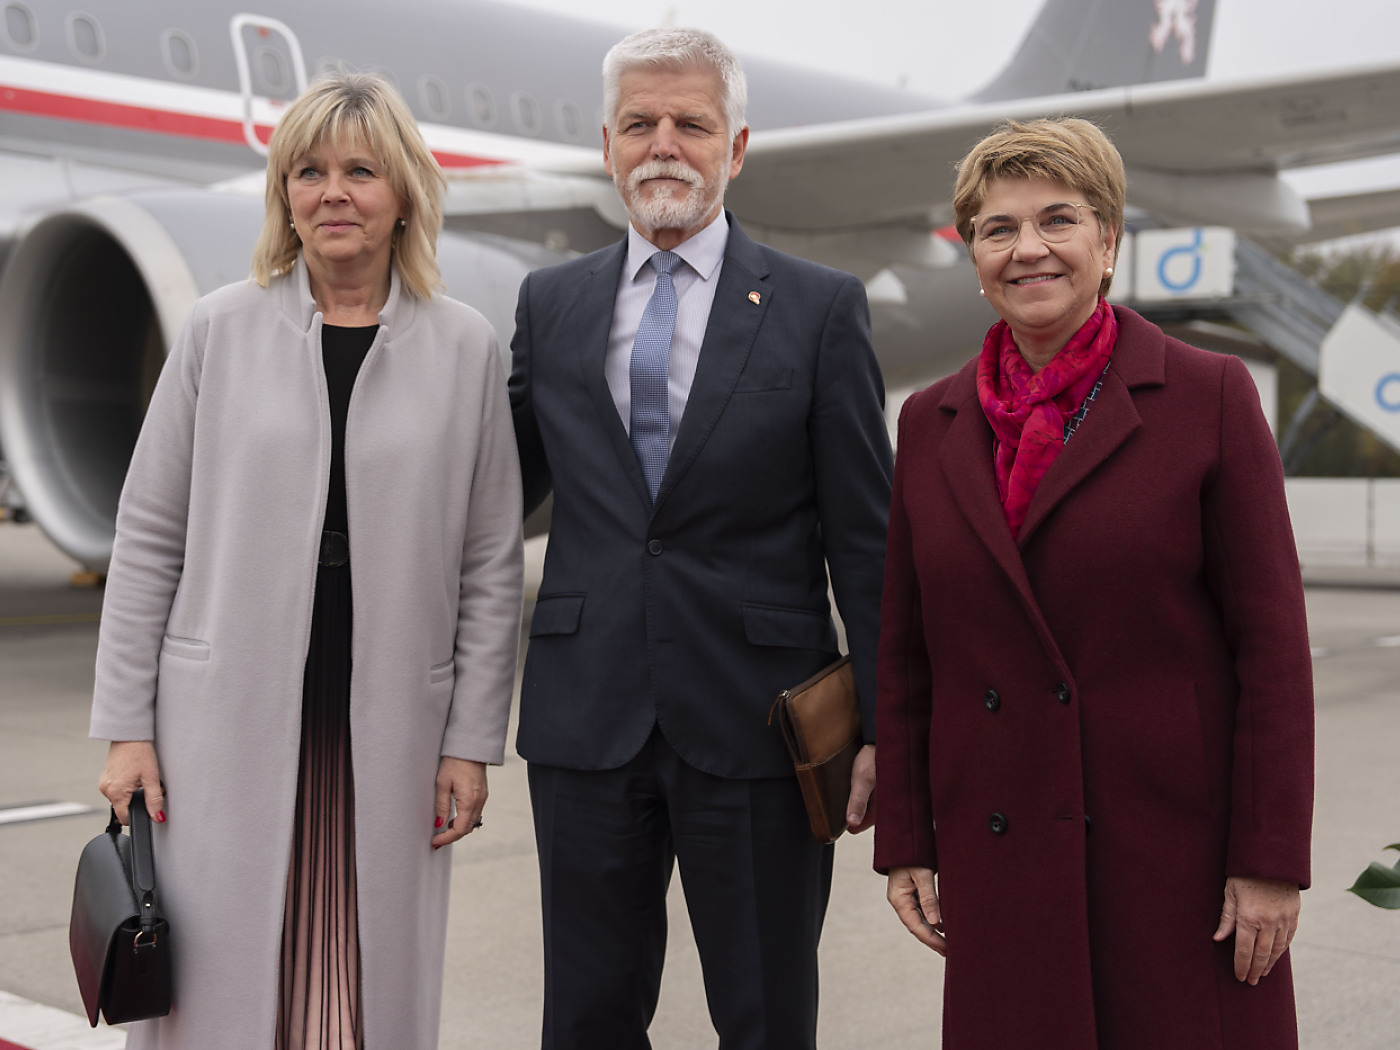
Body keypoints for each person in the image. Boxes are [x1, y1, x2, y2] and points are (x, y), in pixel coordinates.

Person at [90, 72, 523, 1050]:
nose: (334, 193)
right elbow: (150, 532)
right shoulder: (217, 329)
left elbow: (490, 562)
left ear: (405, 192)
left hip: (390, 716)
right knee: (219, 981)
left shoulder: (464, 349)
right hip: (222, 717)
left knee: (360, 971)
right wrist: (125, 725)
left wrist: (469, 740)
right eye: (309, 171)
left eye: (360, 171)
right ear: (284, 193)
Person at [874, 116, 1315, 1049]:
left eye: (1058, 220)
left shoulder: (1209, 397)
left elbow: (1273, 651)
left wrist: (1270, 860)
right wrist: (907, 838)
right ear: (974, 256)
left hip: (1174, 857)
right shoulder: (930, 422)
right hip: (1003, 853)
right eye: (997, 230)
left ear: (1108, 242)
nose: (1027, 248)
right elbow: (907, 655)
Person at [509, 27, 893, 1050]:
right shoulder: (550, 306)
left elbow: (867, 542)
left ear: (736, 147)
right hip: (586, 724)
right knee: (585, 1019)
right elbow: (483, 495)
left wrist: (889, 730)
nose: (663, 145)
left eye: (691, 123)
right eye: (639, 124)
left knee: (765, 1017)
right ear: (606, 145)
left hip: (761, 724)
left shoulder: (818, 310)